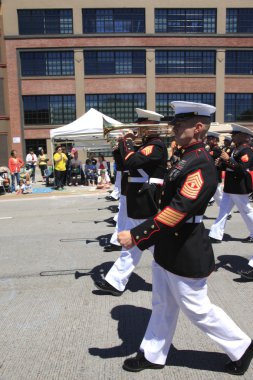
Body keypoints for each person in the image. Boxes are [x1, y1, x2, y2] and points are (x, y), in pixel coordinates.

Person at [117, 101, 253, 376]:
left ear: (199, 127)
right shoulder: (185, 156)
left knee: (197, 309)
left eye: (180, 124)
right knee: (162, 303)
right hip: (169, 245)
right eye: (175, 123)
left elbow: (177, 212)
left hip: (185, 247)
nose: (174, 128)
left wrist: (137, 235)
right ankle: (153, 353)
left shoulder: (200, 163)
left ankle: (241, 346)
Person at [94, 108, 168, 296]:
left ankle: (174, 277)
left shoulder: (156, 145)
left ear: (153, 126)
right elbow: (124, 166)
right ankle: (116, 282)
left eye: (142, 125)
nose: (138, 128)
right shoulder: (145, 146)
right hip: (138, 199)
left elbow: (132, 162)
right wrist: (118, 146)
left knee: (143, 243)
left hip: (145, 199)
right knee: (138, 243)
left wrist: (126, 140)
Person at [209, 124, 253, 243]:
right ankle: (215, 234)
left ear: (244, 137)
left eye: (235, 135)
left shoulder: (247, 150)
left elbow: (242, 168)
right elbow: (229, 166)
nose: (233, 137)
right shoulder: (236, 149)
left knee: (246, 211)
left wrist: (227, 159)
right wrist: (221, 163)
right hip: (230, 185)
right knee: (223, 210)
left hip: (239, 186)